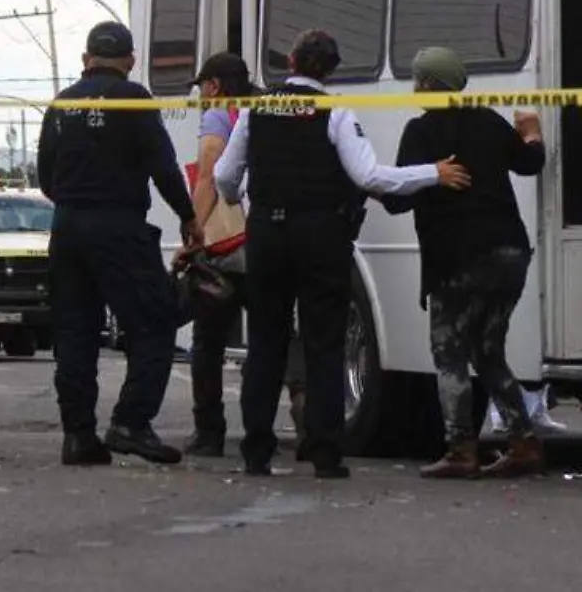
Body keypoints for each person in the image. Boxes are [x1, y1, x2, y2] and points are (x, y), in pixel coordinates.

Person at [213, 29, 465, 479]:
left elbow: (225, 175)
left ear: (290, 61)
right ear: (330, 70)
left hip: (268, 234)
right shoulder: (334, 112)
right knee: (323, 344)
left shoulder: (256, 111)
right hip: (320, 236)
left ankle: (257, 450)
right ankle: (325, 450)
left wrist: (245, 201)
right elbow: (370, 177)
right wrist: (433, 172)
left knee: (266, 343)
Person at [37, 21, 202, 467]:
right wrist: (188, 217)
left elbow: (44, 176)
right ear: (130, 61)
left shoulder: (61, 104)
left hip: (67, 226)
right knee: (154, 321)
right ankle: (131, 421)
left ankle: (78, 436)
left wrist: (76, 200)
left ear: (85, 59)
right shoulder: (135, 100)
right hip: (118, 225)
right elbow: (163, 166)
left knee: (75, 331)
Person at [383, 46, 546, 479]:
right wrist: (531, 131)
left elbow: (398, 202)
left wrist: (372, 182)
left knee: (450, 352)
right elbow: (531, 162)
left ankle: (460, 449)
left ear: (431, 86)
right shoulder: (489, 120)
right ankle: (523, 441)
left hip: (458, 260)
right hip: (510, 254)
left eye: (418, 80)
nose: (414, 88)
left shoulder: (420, 132)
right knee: (488, 351)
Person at [180, 52, 307, 458]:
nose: (200, 94)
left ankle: (210, 432)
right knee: (277, 335)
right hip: (273, 239)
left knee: (209, 340)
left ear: (214, 86)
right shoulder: (270, 107)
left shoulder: (219, 113)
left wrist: (193, 232)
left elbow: (211, 173)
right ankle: (305, 424)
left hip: (227, 248)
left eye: (202, 86)